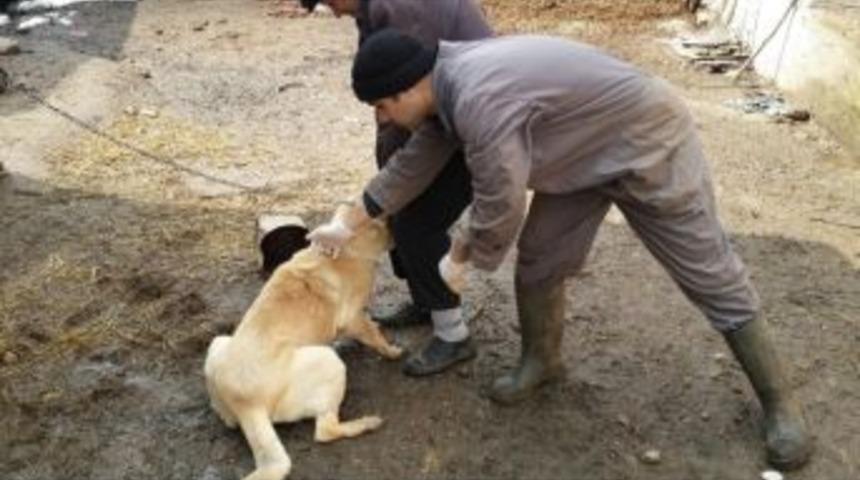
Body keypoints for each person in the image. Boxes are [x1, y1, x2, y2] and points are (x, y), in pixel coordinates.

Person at [307, 29, 812, 470]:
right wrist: (348, 219)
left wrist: (461, 254)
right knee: (541, 257)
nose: (383, 117)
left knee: (707, 270)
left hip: (645, 140)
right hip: (580, 154)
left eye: (381, 105)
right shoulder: (444, 83)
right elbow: (414, 163)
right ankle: (542, 360)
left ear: (407, 87)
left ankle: (781, 403)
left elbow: (501, 197)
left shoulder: (478, 96)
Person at [299, 0, 493, 376]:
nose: (332, 12)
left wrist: (462, 252)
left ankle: (453, 335)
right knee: (398, 205)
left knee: (416, 221)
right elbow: (392, 100)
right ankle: (427, 300)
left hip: (469, 121)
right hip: (442, 115)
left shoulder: (403, 9)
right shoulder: (370, 10)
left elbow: (406, 97)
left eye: (327, 1)